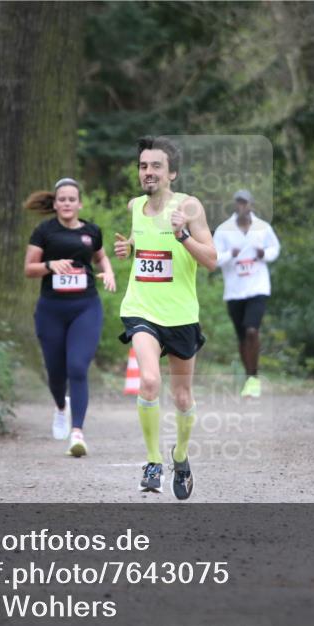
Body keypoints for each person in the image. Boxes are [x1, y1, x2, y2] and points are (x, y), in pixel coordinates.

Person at [114, 136, 216, 500]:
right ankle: (153, 460)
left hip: (181, 315)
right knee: (150, 382)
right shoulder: (134, 206)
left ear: (171, 172)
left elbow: (211, 260)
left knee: (183, 396)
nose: (148, 172)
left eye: (156, 166)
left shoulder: (189, 207)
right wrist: (130, 249)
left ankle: (180, 456)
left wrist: (183, 235)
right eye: (143, 166)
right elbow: (145, 251)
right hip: (140, 309)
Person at [24, 178, 116, 457]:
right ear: (55, 204)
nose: (66, 203)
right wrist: (51, 265)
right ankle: (61, 408)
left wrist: (108, 272)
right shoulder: (44, 231)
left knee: (77, 366)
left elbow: (100, 257)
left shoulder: (91, 231)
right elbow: (29, 269)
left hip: (85, 306)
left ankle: (77, 433)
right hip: (51, 309)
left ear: (79, 203)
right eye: (61, 199)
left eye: (71, 199)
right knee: (55, 373)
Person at [213, 189, 280, 398]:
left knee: (252, 331)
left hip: (257, 287)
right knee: (242, 337)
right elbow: (213, 258)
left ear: (251, 204)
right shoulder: (224, 230)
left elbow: (275, 249)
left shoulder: (262, 227)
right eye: (239, 203)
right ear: (235, 205)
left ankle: (254, 377)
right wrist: (229, 255)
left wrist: (264, 254)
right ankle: (248, 375)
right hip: (234, 290)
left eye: (245, 203)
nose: (242, 206)